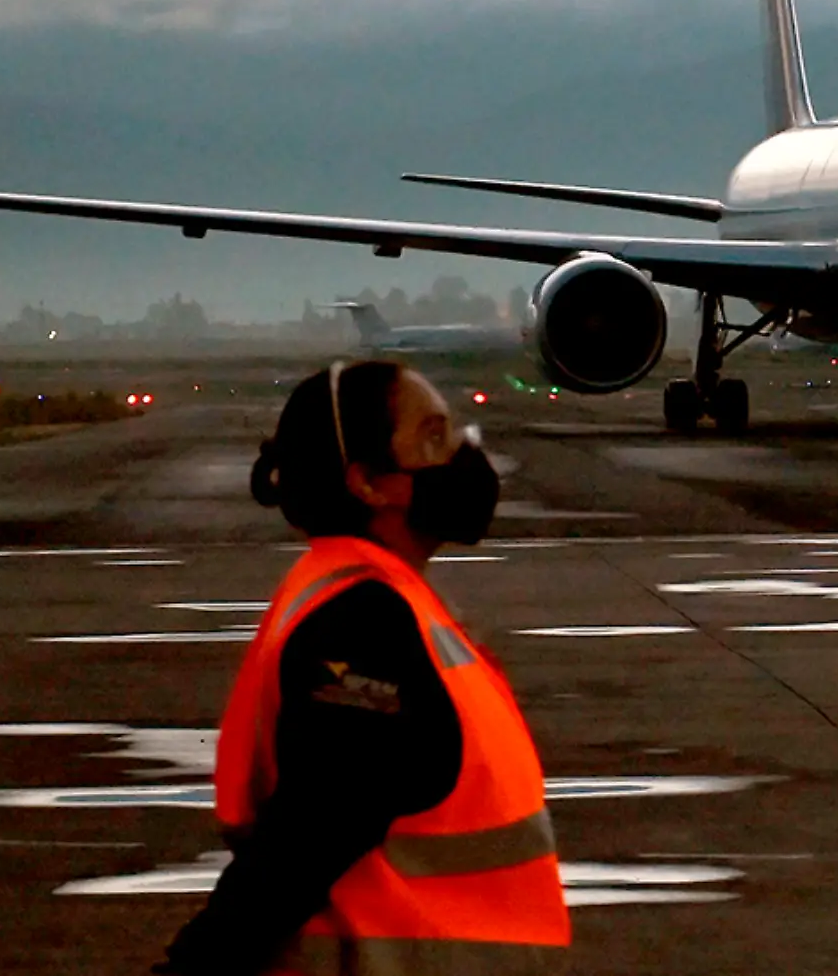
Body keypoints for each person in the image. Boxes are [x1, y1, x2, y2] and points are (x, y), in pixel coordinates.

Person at [158, 361, 569, 976]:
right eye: (433, 436)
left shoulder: (374, 597)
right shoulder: (362, 625)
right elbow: (302, 847)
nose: (463, 452)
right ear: (370, 483)